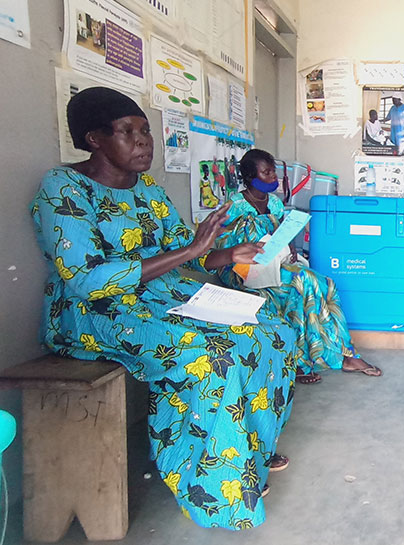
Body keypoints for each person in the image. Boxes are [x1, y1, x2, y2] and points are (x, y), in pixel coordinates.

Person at [31, 87, 295, 530]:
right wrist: (191, 249)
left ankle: (246, 448)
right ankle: (216, 488)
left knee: (272, 328)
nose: (143, 142)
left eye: (146, 132)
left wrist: (229, 254)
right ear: (93, 138)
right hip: (97, 313)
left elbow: (186, 254)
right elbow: (87, 280)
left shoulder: (148, 189)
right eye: (128, 132)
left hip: (162, 298)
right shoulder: (64, 189)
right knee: (214, 353)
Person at [215, 148, 382, 384]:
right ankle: (300, 362)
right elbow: (220, 246)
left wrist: (288, 245)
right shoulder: (233, 206)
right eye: (267, 172)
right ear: (252, 177)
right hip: (242, 271)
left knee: (326, 283)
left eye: (274, 171)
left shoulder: (273, 203)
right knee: (302, 282)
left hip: (274, 266)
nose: (274, 177)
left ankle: (344, 353)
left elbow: (278, 234)